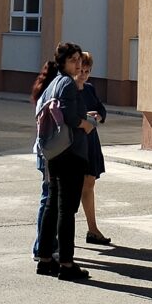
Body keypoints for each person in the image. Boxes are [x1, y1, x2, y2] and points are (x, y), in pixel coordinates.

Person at [33, 42, 98, 280]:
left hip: (54, 152)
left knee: (52, 206)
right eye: (73, 60)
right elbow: (70, 117)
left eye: (79, 59)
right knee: (66, 210)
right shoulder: (68, 83)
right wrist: (87, 124)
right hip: (70, 152)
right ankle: (67, 264)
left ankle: (45, 259)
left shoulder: (53, 83)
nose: (78, 64)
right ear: (62, 62)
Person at [76, 50, 112, 245]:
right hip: (75, 142)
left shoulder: (89, 89)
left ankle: (92, 229)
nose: (83, 75)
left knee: (90, 183)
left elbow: (101, 108)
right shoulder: (68, 89)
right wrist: (84, 116)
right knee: (72, 188)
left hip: (91, 141)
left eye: (87, 71)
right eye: (81, 70)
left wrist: (98, 116)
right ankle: (62, 234)